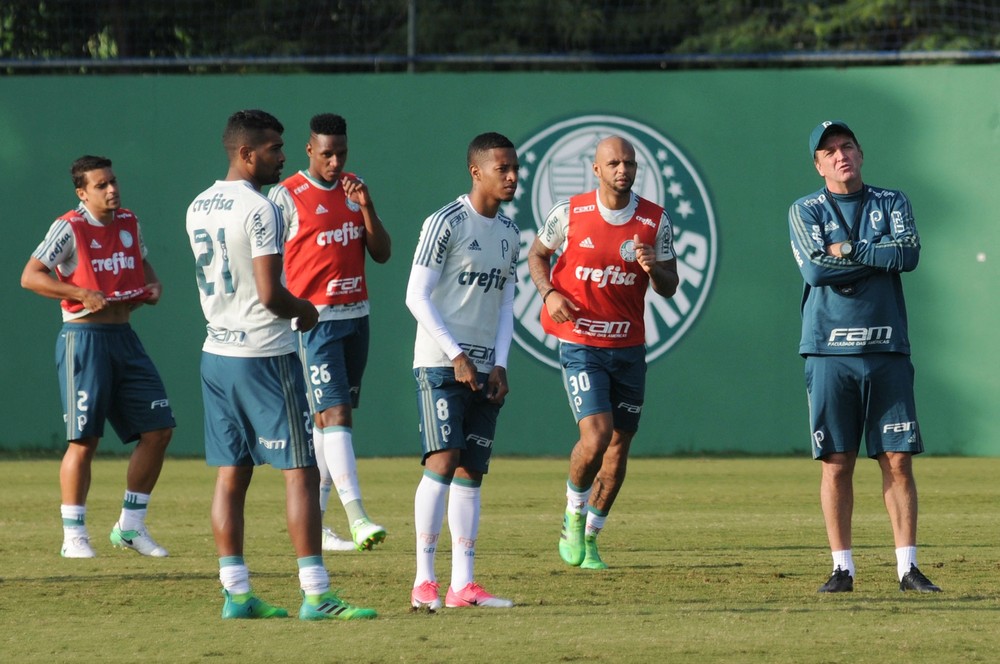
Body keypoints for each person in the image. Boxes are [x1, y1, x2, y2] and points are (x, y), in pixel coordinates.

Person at [185, 109, 376, 620]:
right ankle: (316, 594)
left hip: (216, 354)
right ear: (246, 153)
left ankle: (238, 593)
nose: (282, 155)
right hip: (264, 356)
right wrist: (306, 310)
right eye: (273, 148)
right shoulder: (262, 207)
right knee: (301, 471)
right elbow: (272, 295)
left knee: (232, 474)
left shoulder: (198, 204)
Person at [788, 120, 941, 594]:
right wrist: (876, 254)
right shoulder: (805, 209)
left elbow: (909, 254)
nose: (840, 155)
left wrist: (849, 248)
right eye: (829, 151)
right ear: (818, 164)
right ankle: (842, 568)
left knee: (897, 460)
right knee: (837, 462)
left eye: (847, 146)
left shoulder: (890, 202)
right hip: (828, 350)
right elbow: (815, 267)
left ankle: (907, 568)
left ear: (860, 153)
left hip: (887, 347)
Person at [527, 136, 678, 571]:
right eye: (613, 163)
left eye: (628, 163)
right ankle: (572, 514)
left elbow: (670, 284)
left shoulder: (654, 221)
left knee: (618, 447)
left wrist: (655, 270)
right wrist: (549, 291)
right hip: (581, 343)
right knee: (594, 437)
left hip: (628, 347)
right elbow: (537, 254)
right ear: (596, 170)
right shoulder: (570, 212)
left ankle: (591, 537)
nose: (622, 170)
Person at [20, 155, 175, 559]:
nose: (112, 189)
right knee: (84, 440)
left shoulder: (129, 222)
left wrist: (153, 285)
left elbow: (142, 266)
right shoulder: (69, 226)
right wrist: (78, 292)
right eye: (101, 184)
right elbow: (30, 275)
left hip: (125, 337)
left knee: (159, 430)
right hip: (84, 339)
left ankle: (130, 526)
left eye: (114, 181)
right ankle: (74, 535)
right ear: (82, 192)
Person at [405, 132, 520, 611]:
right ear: (476, 171)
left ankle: (463, 586)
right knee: (444, 460)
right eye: (503, 170)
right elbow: (416, 296)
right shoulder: (445, 222)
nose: (512, 177)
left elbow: (508, 305)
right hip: (440, 363)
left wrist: (500, 363)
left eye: (515, 168)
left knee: (472, 471)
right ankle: (424, 581)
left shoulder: (511, 234)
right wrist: (456, 354)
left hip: (483, 367)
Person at [268, 113, 391, 553]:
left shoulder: (354, 188)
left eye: (341, 153)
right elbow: (264, 260)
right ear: (309, 150)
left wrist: (368, 208)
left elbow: (381, 254)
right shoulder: (286, 197)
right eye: (327, 154)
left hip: (356, 317)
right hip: (313, 323)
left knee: (329, 424)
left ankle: (317, 526)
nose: (336, 162)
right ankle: (357, 517)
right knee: (334, 417)